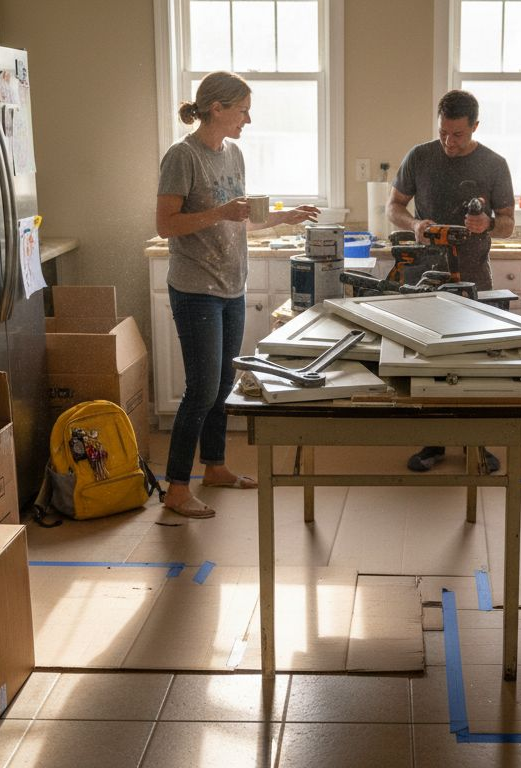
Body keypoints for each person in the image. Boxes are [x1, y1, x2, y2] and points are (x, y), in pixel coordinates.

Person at [155, 71, 319, 518]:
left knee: (224, 384)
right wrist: (221, 212)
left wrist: (285, 218)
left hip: (232, 284)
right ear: (217, 109)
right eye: (243, 110)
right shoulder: (182, 157)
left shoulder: (235, 154)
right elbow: (166, 224)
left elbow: (240, 218)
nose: (248, 118)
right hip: (195, 288)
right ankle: (175, 489)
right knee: (202, 389)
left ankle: (215, 467)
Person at [388, 89, 516, 473]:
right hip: (425, 276)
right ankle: (433, 442)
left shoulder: (494, 164)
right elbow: (393, 207)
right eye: (443, 132)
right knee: (428, 363)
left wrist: (489, 223)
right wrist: (414, 224)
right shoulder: (420, 156)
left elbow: (508, 223)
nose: (449, 141)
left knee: (475, 363)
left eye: (458, 134)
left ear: (475, 126)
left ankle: (477, 444)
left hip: (474, 275)